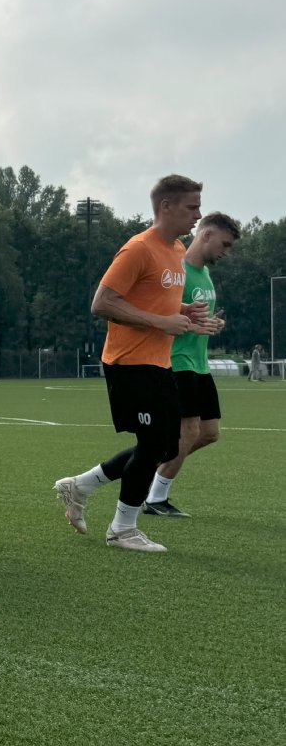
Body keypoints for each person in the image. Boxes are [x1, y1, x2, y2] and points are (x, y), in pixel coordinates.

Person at [53, 175, 218, 552]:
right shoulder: (138, 248)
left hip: (158, 362)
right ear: (166, 207)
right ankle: (122, 529)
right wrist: (162, 322)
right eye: (192, 207)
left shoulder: (176, 249)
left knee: (166, 444)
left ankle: (81, 486)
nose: (198, 215)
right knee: (156, 443)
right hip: (129, 362)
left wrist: (182, 311)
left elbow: (151, 299)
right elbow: (102, 303)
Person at [143, 211, 239, 517]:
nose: (226, 252)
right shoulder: (176, 270)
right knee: (188, 430)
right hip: (177, 360)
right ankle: (155, 498)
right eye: (224, 244)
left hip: (200, 364)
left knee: (209, 433)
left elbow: (195, 318)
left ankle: (149, 473)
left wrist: (212, 324)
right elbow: (159, 317)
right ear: (206, 235)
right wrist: (193, 326)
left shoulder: (205, 274)